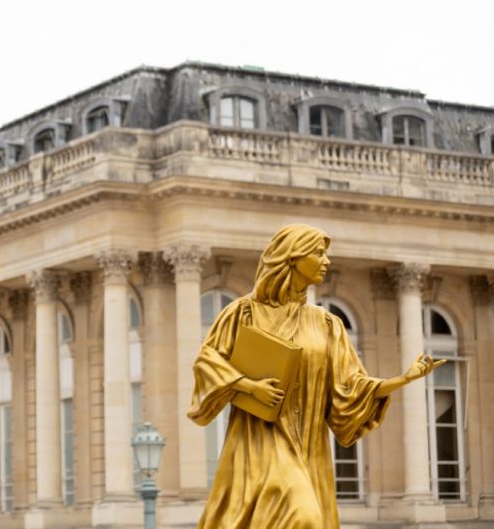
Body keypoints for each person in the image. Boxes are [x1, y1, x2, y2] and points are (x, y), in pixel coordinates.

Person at [188, 224, 443, 529]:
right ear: (292, 258)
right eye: (318, 253)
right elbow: (207, 361)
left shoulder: (326, 324)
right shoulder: (242, 312)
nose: (326, 261)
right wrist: (249, 387)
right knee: (303, 517)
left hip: (309, 447)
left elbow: (350, 388)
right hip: (258, 444)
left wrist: (403, 379)